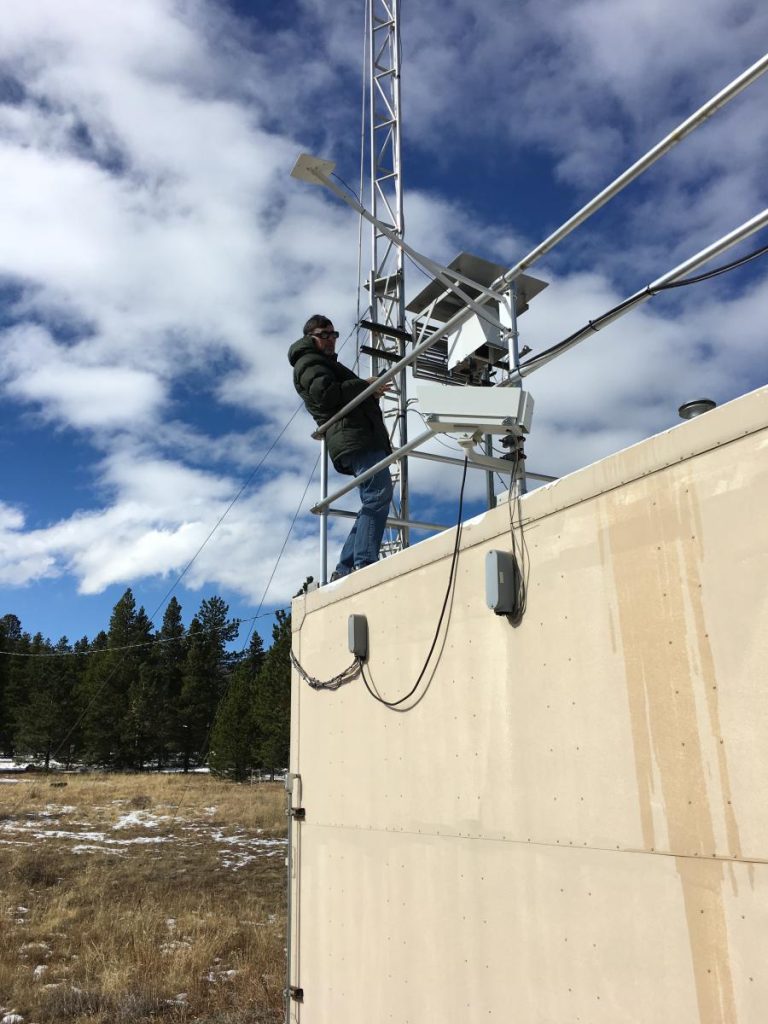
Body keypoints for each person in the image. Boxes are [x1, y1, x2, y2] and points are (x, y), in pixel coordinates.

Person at [289, 314, 394, 581]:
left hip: (357, 436)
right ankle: (364, 561)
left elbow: (334, 392)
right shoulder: (308, 362)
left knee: (375, 497)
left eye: (333, 335)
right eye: (324, 335)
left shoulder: (318, 362)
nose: (331, 340)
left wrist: (365, 390)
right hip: (355, 436)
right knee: (378, 494)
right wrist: (365, 386)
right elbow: (325, 394)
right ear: (309, 337)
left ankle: (346, 566)